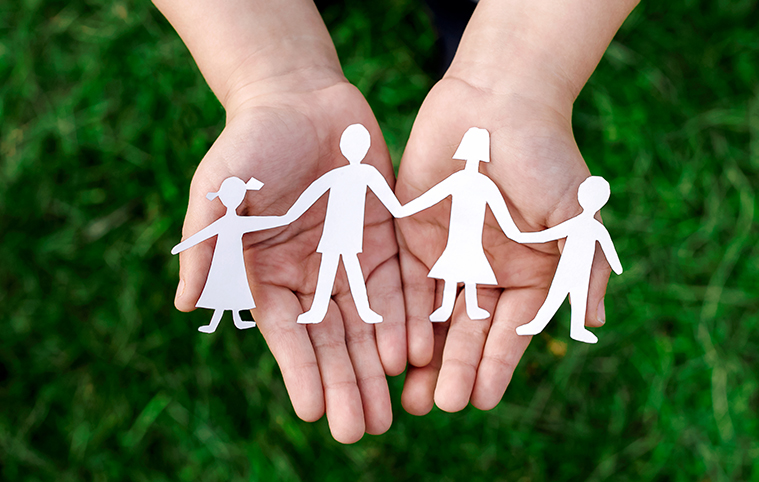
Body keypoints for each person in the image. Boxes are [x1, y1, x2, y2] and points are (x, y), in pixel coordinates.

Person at [156, 0, 639, 442]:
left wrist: (514, 73)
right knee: (336, 276)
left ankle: (473, 35)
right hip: (337, 224)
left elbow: (389, 197)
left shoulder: (394, 176)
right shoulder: (362, 176)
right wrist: (272, 68)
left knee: (465, 14)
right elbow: (317, 206)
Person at [279, 123, 405, 325]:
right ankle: (322, 311)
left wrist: (410, 208)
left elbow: (393, 204)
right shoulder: (345, 173)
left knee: (347, 269)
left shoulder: (365, 173)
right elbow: (312, 193)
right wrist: (288, 216)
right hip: (334, 231)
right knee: (334, 269)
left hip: (347, 231)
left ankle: (361, 311)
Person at [396, 127, 524, 322]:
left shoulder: (484, 184)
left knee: (469, 268)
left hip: (472, 238)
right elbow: (431, 197)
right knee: (454, 268)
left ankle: (470, 307)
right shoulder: (466, 181)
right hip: (457, 237)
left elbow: (502, 214)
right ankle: (447, 308)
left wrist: (519, 234)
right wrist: (403, 209)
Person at [516, 176, 623, 344]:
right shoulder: (589, 226)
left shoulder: (592, 227)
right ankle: (538, 324)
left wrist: (523, 237)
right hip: (568, 270)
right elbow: (548, 235)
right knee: (556, 297)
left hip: (580, 271)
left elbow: (608, 249)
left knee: (577, 299)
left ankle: (577, 329)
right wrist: (523, 237)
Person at [171, 177, 284, 333]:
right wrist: (183, 246)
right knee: (223, 288)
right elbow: (203, 234)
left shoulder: (233, 222)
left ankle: (236, 320)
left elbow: (262, 222)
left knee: (233, 287)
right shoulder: (229, 222)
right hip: (223, 262)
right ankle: (215, 323)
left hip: (233, 261)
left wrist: (284, 219)